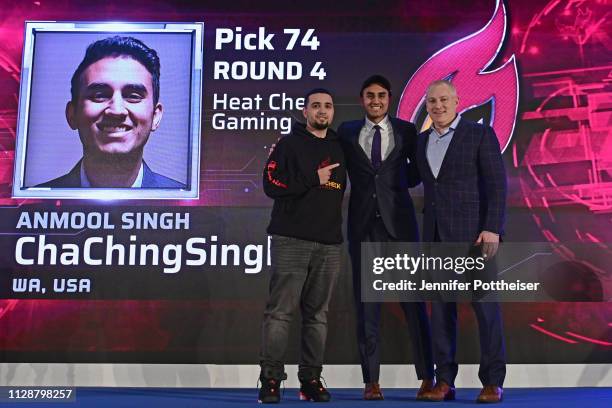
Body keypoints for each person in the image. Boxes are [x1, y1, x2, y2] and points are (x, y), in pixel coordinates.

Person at [337, 75, 434, 401]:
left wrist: (393, 188)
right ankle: (371, 381)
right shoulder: (347, 131)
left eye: (381, 95)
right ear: (362, 99)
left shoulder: (407, 131)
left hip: (401, 228)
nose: (375, 100)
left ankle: (428, 378)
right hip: (364, 227)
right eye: (369, 95)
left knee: (414, 305)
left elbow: (417, 174)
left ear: (389, 98)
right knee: (367, 307)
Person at [416, 80, 507, 403]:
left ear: (457, 101)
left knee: (486, 311)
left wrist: (492, 228)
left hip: (474, 238)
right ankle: (445, 382)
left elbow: (496, 185)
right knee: (441, 313)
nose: (437, 106)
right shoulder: (421, 141)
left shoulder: (479, 134)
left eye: (443, 100)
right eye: (431, 101)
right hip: (437, 239)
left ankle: (493, 381)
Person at [258, 88, 346, 404]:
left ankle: (310, 380)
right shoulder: (288, 144)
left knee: (317, 316)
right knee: (280, 313)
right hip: (291, 240)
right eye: (316, 106)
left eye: (328, 106)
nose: (322, 110)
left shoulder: (340, 145)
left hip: (329, 244)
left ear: (333, 111)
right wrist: (313, 177)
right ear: (305, 111)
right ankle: (270, 380)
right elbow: (270, 184)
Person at [38, 36, 184, 188]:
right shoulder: (32, 204)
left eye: (133, 96)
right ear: (72, 114)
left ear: (155, 116)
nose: (116, 110)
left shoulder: (188, 206)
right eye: (99, 95)